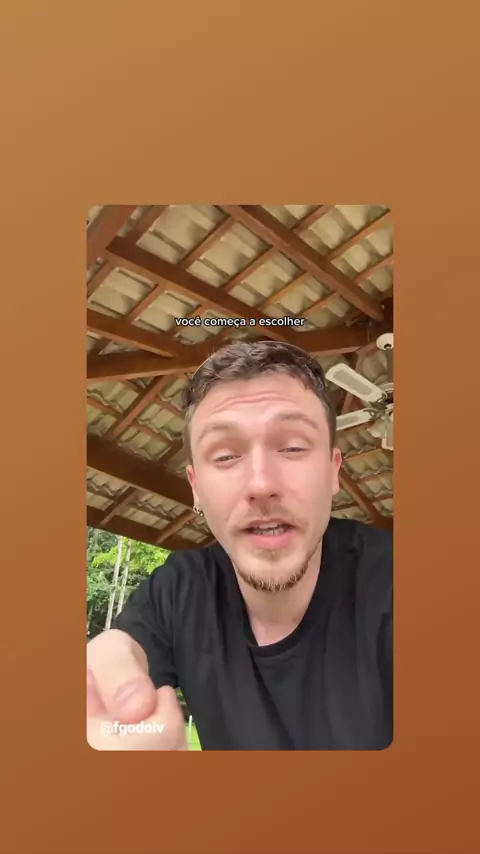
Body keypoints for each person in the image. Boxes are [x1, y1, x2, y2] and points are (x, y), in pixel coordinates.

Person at [87, 340, 393, 751]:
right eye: (226, 456)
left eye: (293, 447)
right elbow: (120, 654)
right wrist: (109, 684)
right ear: (196, 488)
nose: (261, 484)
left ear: (333, 471)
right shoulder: (180, 589)